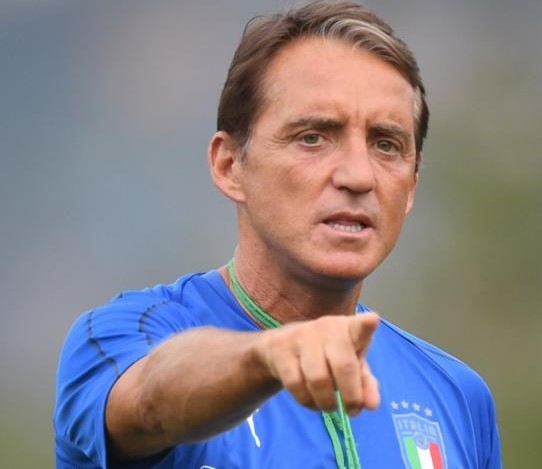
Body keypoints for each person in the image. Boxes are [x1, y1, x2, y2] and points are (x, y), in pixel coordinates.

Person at [54, 1, 502, 468]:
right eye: (313, 137)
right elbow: (150, 400)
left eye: (386, 145)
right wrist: (267, 358)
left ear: (411, 186)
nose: (358, 176)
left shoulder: (458, 397)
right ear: (230, 165)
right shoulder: (116, 339)